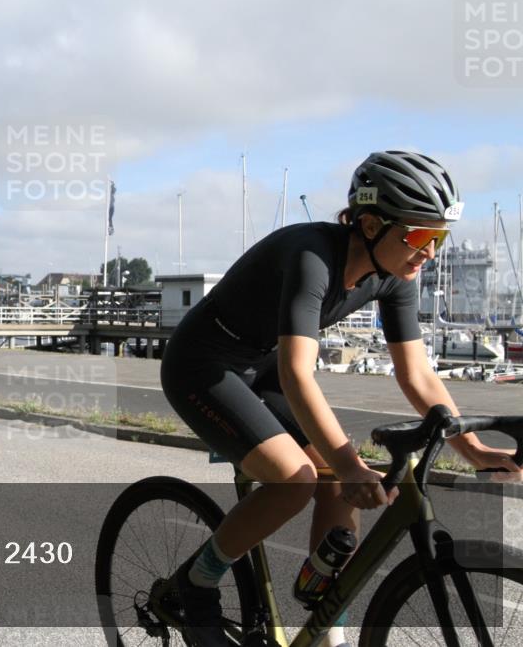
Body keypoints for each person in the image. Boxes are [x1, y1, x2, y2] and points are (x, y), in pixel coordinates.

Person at [159, 151, 522, 647]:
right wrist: (350, 465)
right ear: (370, 224)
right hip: (202, 364)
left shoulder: (395, 277)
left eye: (440, 237)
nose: (431, 252)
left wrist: (475, 451)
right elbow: (297, 374)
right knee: (297, 480)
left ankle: (324, 616)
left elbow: (416, 374)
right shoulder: (312, 257)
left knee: (335, 475)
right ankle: (197, 580)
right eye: (420, 236)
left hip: (259, 363)